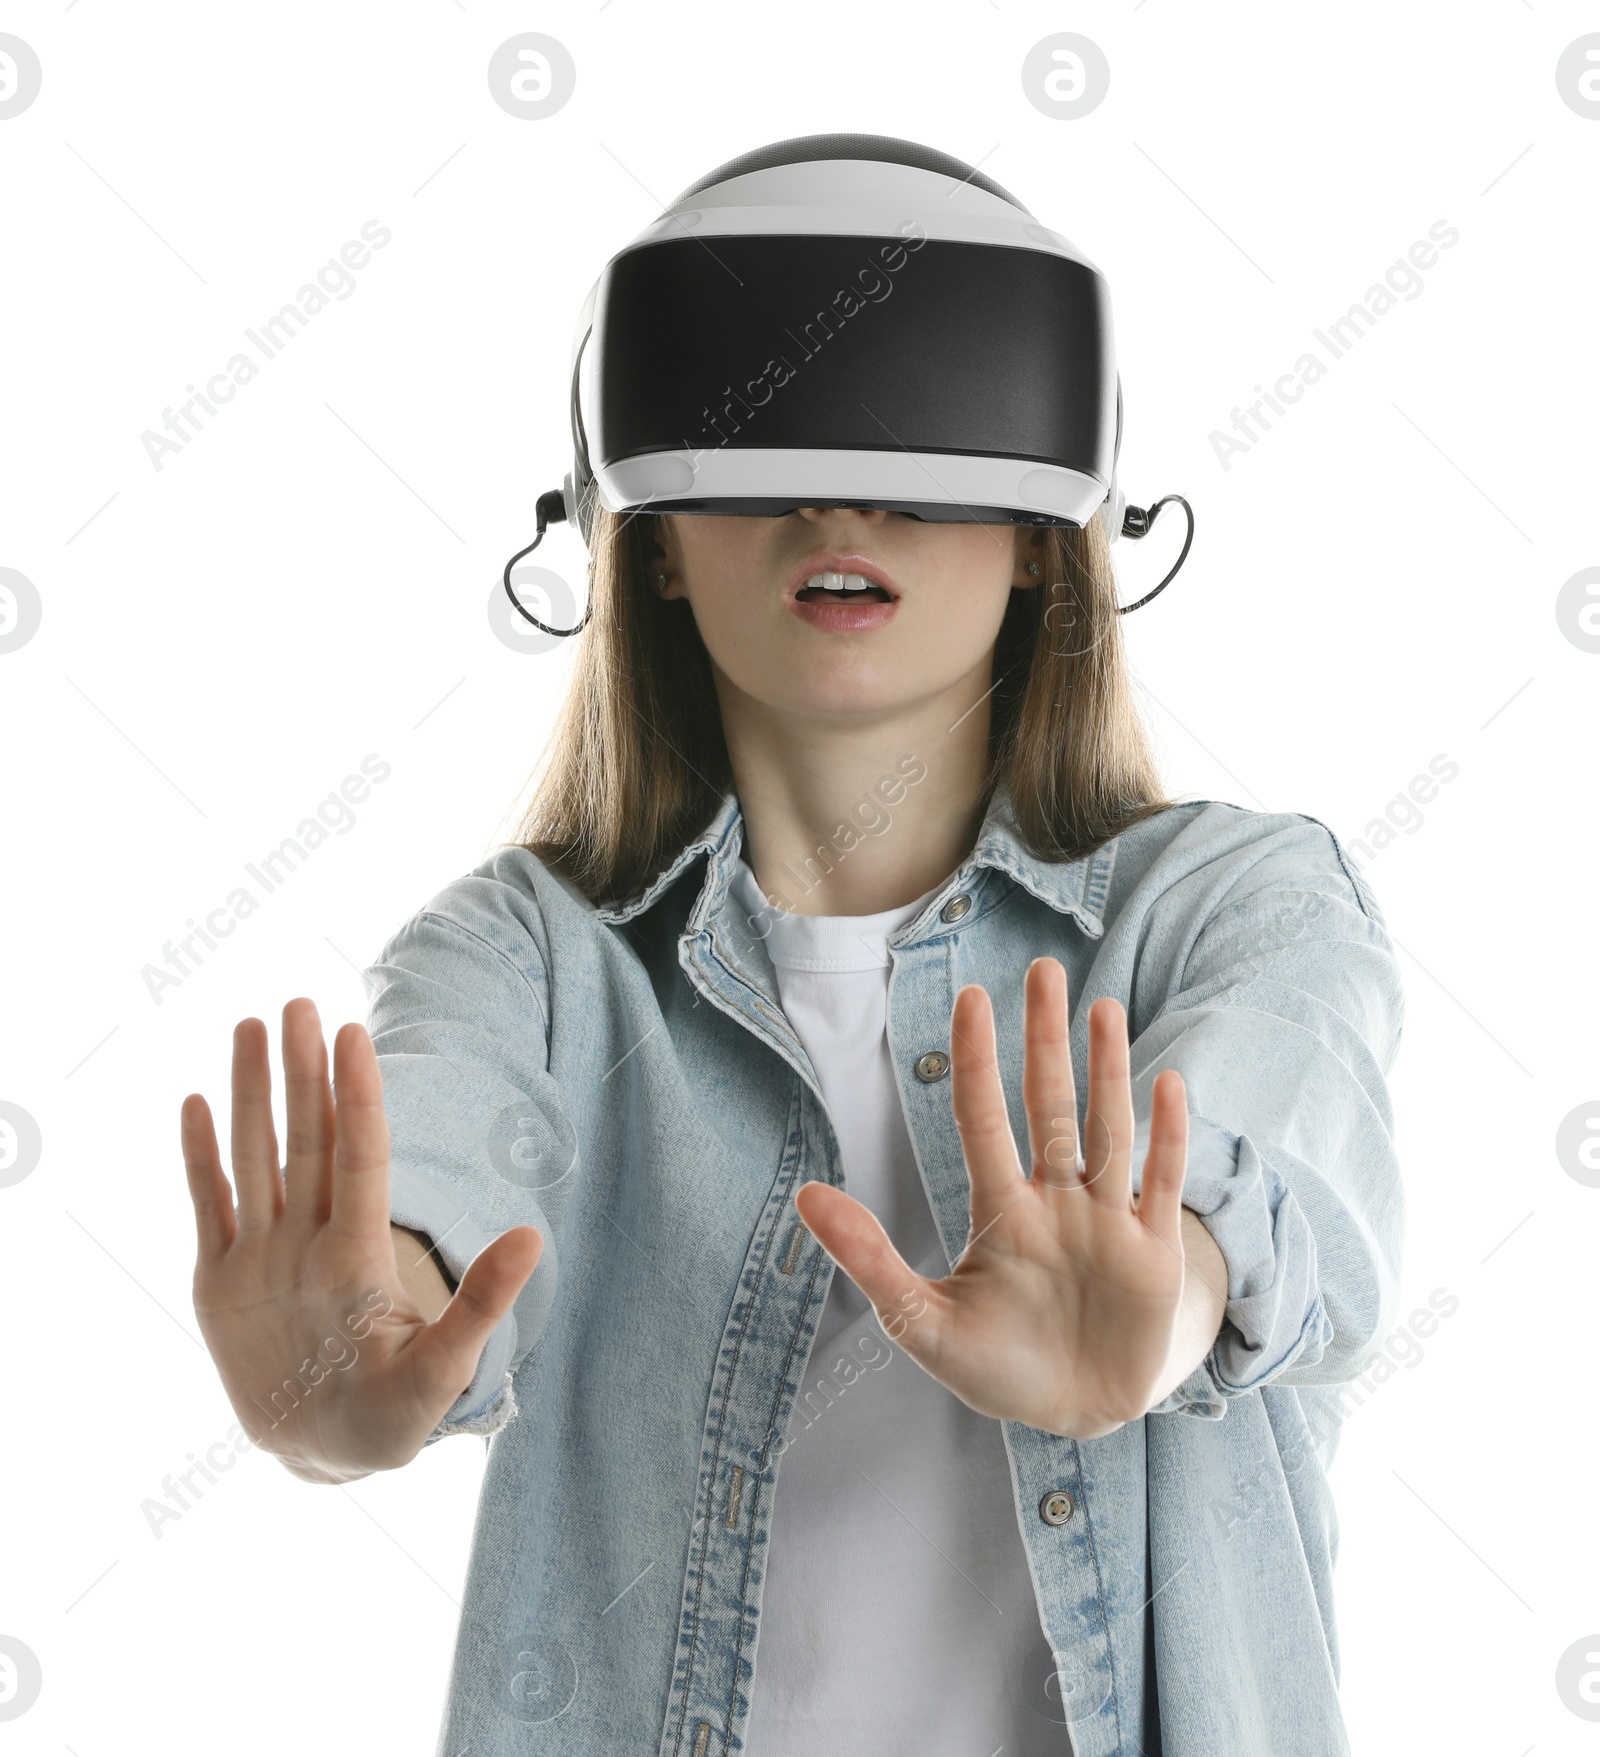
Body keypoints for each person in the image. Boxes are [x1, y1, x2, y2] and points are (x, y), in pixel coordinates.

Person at [179, 143, 1404, 1757]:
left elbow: (1283, 1170)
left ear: (1052, 529)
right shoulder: (530, 957)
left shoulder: (1233, 903)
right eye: (761, 430)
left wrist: (1164, 1300)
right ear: (653, 531)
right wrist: (348, 1359)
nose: (843, 499)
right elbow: (437, 1174)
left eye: (931, 423)